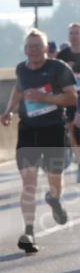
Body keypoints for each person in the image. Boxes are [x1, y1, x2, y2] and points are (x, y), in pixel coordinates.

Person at [1, 29, 78, 254]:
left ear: (45, 48)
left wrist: (44, 98)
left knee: (55, 179)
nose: (33, 51)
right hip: (28, 131)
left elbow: (72, 97)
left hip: (53, 130)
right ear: (25, 50)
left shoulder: (59, 68)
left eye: (38, 46)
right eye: (30, 47)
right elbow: (18, 90)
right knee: (28, 182)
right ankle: (29, 232)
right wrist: (9, 111)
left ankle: (54, 199)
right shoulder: (21, 69)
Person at [56, 23, 80, 182]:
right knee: (71, 131)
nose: (74, 36)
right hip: (70, 98)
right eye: (71, 33)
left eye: (77, 33)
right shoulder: (62, 56)